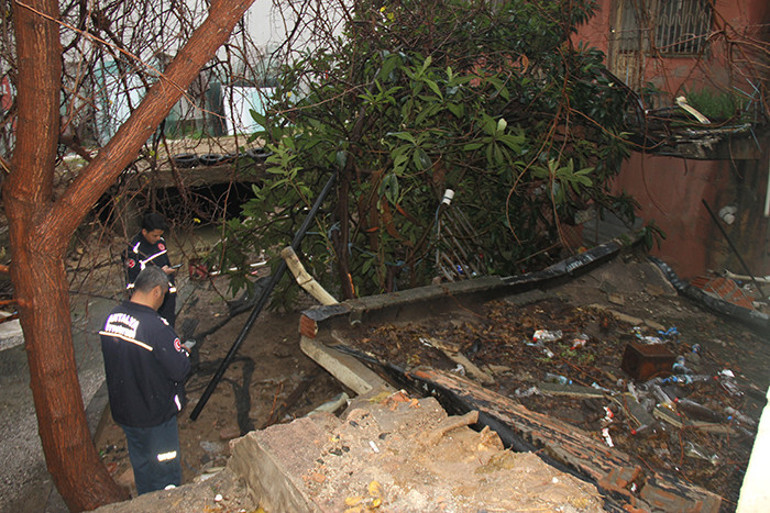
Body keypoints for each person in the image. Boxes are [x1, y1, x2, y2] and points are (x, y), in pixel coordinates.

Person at [100, 266, 190, 495]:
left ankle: (147, 499)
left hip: (126, 411)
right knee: (165, 465)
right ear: (157, 292)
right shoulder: (156, 328)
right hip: (154, 415)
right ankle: (168, 501)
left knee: (141, 461)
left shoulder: (111, 318)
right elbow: (179, 370)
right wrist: (185, 353)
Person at [124, 212, 178, 326]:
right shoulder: (134, 250)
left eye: (160, 235)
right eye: (155, 235)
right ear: (144, 232)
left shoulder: (161, 242)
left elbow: (166, 262)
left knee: (168, 326)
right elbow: (134, 282)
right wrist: (159, 274)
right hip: (150, 299)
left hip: (167, 294)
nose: (158, 238)